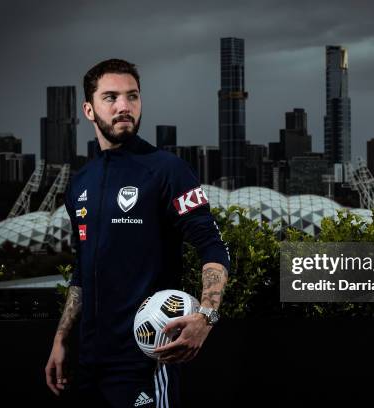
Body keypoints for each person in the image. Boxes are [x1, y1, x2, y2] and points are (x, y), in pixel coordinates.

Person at [45, 58, 231, 408]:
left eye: (132, 96)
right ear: (89, 109)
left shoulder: (167, 170)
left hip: (144, 360)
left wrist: (206, 316)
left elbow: (213, 247)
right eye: (111, 97)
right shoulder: (80, 183)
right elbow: (83, 269)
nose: (123, 106)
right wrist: (61, 339)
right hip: (86, 365)